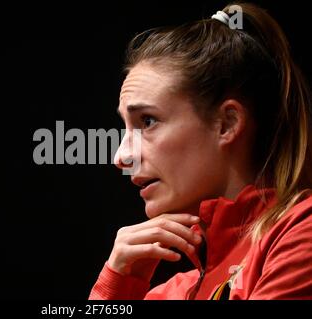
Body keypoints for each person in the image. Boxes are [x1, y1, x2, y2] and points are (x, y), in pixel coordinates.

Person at [89, 2, 312, 300]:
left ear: (227, 124)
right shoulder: (170, 293)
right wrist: (117, 285)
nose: (121, 156)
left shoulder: (300, 233)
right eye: (126, 127)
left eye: (148, 121)